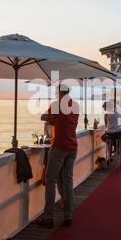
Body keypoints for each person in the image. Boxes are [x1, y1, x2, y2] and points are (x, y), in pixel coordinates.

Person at [36, 84, 79, 228]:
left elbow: (43, 116)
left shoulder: (56, 105)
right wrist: (54, 121)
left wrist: (50, 120)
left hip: (59, 146)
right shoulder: (76, 106)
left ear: (59, 93)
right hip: (73, 146)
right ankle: (68, 215)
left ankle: (48, 217)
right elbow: (66, 121)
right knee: (68, 180)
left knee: (50, 181)